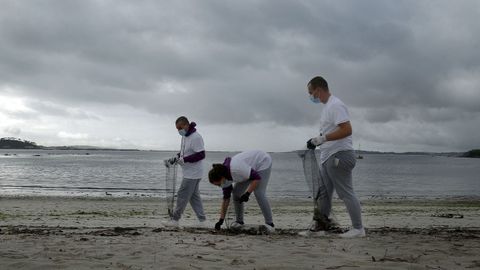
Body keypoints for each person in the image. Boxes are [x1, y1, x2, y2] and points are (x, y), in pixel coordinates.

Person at [305, 76, 365, 238]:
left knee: (345, 192)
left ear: (318, 89)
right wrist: (316, 140)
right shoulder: (327, 107)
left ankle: (358, 229)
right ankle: (320, 227)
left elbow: (347, 130)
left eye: (311, 93)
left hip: (339, 155)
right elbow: (329, 131)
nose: (311, 96)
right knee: (323, 193)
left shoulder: (336, 105)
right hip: (327, 156)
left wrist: (322, 139)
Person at [208, 150, 275, 233]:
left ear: (222, 177)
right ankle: (239, 222)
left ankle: (270, 224)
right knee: (236, 194)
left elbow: (256, 178)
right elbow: (226, 200)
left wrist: (247, 193)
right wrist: (221, 220)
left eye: (218, 184)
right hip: (249, 169)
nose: (219, 186)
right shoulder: (224, 180)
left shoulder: (236, 169)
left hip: (262, 161)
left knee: (259, 192)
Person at [164, 116, 206, 228]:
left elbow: (201, 155)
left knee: (182, 195)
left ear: (186, 125)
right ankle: (202, 221)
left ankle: (175, 220)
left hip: (193, 173)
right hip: (189, 172)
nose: (179, 131)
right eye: (177, 129)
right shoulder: (185, 137)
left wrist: (185, 160)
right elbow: (184, 153)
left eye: (180, 128)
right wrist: (176, 158)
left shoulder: (196, 137)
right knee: (194, 197)